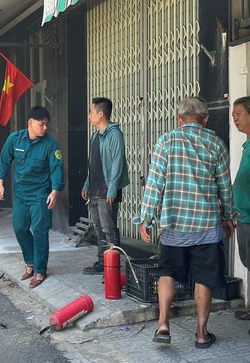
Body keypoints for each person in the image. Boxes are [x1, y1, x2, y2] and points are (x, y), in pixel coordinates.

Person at [135, 96, 235, 349]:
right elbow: (225, 188)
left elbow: (155, 183)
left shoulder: (166, 141)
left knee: (168, 272)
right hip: (206, 226)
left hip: (174, 225)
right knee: (204, 278)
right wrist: (229, 217)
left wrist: (145, 218)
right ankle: (202, 334)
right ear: (206, 119)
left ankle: (163, 324)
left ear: (179, 119)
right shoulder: (216, 143)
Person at [0, 106, 65, 289]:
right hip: (20, 194)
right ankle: (30, 262)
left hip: (40, 195)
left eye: (46, 125)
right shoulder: (14, 139)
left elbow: (57, 168)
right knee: (19, 228)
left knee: (40, 230)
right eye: (41, 124)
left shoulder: (50, 145)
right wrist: (0, 183)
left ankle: (40, 271)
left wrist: (55, 191)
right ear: (30, 123)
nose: (45, 128)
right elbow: (4, 160)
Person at [81, 97, 130, 275]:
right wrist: (87, 184)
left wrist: (112, 189)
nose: (89, 116)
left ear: (100, 114)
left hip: (107, 191)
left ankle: (113, 265)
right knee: (98, 228)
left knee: (109, 228)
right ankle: (103, 262)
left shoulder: (114, 134)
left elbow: (117, 163)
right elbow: (93, 164)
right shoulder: (95, 136)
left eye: (92, 112)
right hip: (94, 190)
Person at [231, 97, 250, 321]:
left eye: (239, 114)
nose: (234, 118)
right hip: (243, 216)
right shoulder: (246, 146)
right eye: (233, 115)